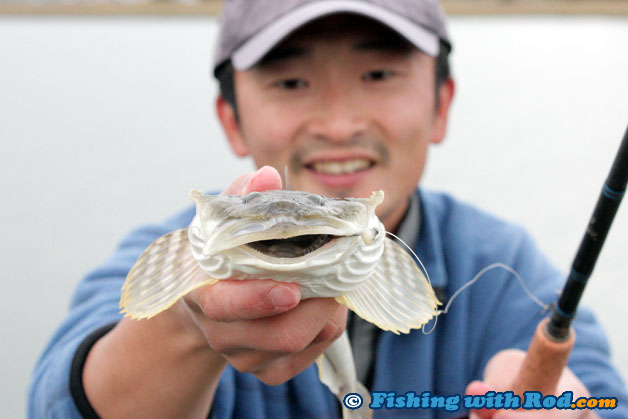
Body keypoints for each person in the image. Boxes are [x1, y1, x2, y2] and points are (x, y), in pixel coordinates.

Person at [29, 1, 627, 418]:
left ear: (442, 103)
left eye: (378, 73)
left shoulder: (504, 266)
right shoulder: (169, 245)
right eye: (291, 83)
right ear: (230, 117)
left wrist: (567, 406)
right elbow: (59, 397)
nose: (340, 125)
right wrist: (185, 325)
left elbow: (604, 398)